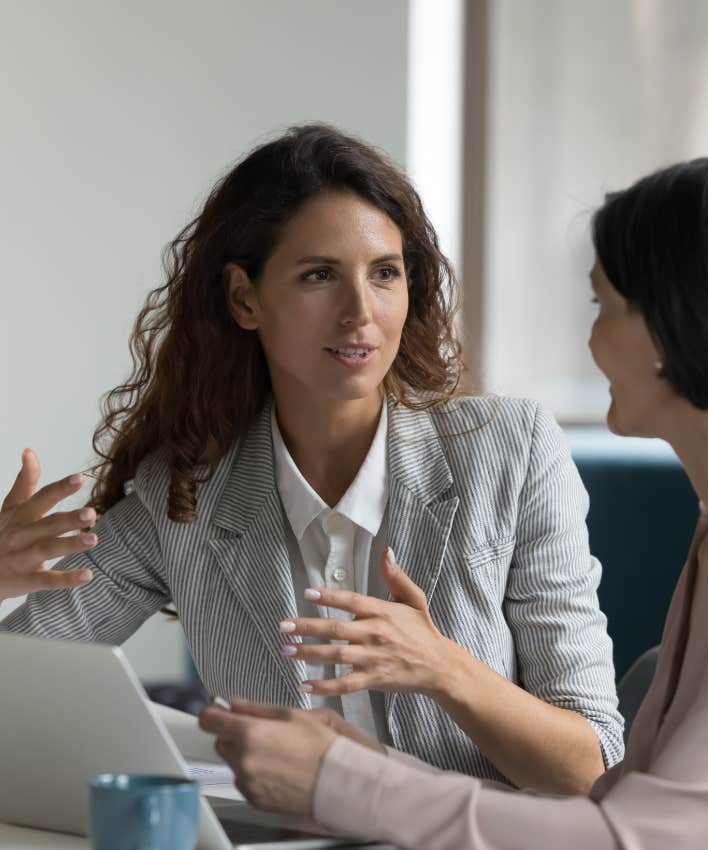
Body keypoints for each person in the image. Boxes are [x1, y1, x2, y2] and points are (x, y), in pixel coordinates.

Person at [199, 155, 708, 850]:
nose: (591, 339)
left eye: (604, 306)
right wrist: (358, 763)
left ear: (675, 328)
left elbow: (646, 838)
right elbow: (618, 805)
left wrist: (342, 783)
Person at [0, 123, 622, 792]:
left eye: (385, 273)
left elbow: (592, 768)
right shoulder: (181, 498)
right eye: (320, 275)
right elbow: (20, 709)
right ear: (244, 298)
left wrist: (442, 667)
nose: (361, 312)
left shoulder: (512, 449)